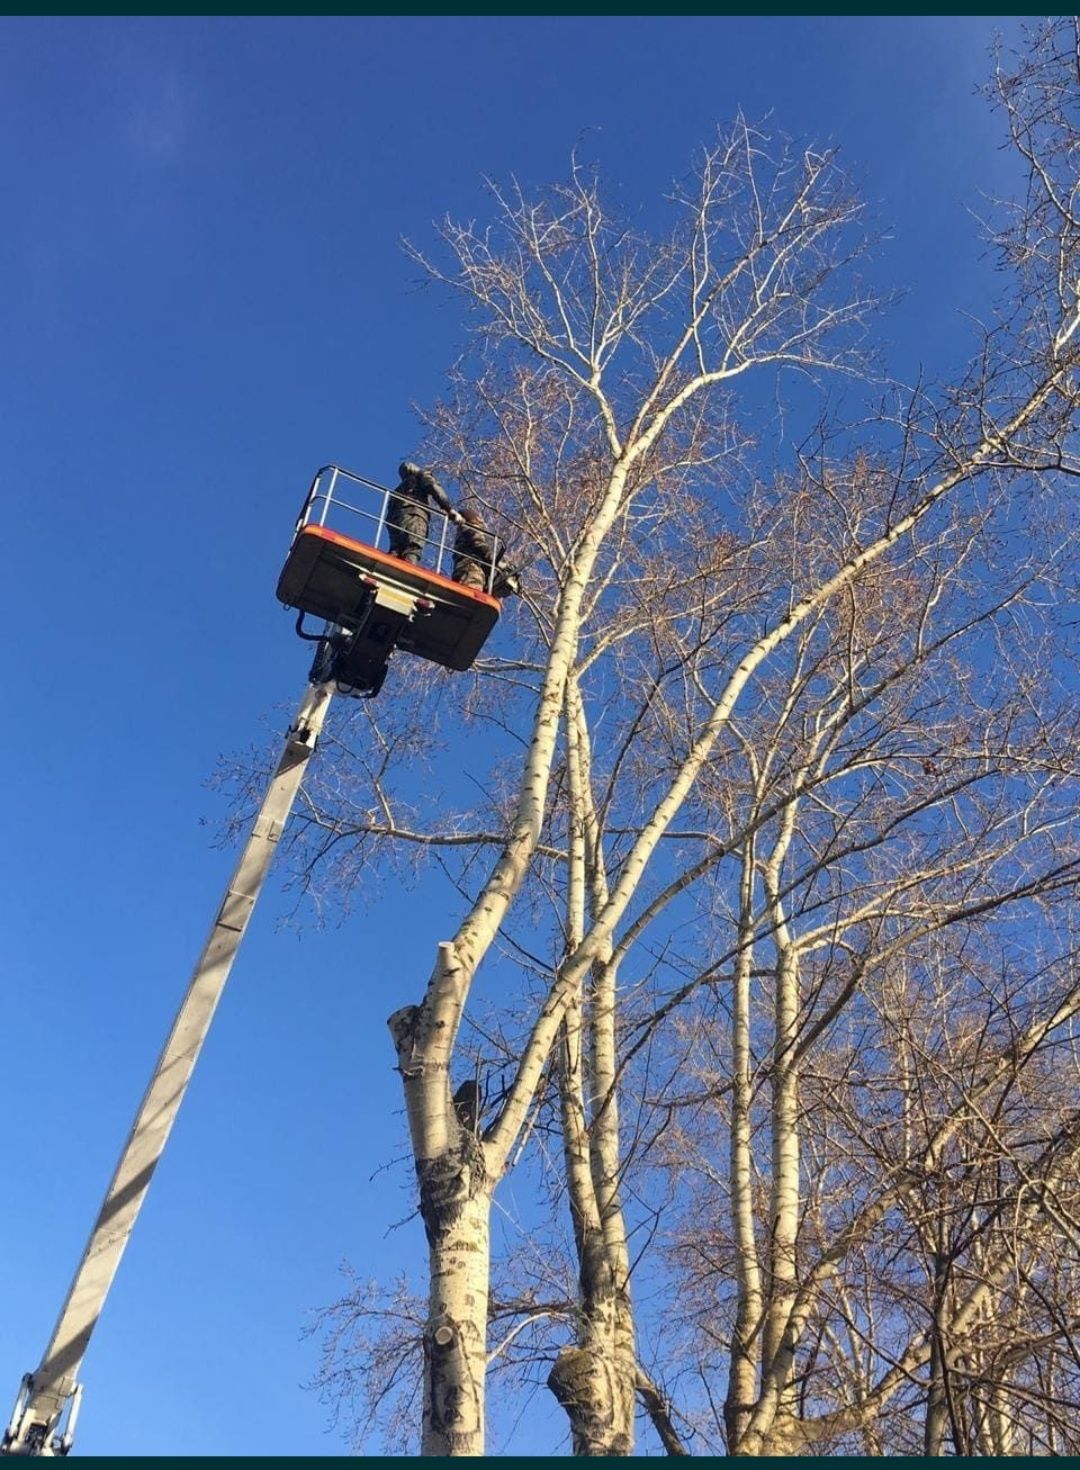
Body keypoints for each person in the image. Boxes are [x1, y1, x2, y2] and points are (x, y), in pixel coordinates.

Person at [386, 461, 459, 565]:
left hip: (395, 522)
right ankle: (408, 574)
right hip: (415, 516)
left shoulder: (396, 492)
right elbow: (435, 489)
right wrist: (449, 510)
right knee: (413, 549)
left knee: (395, 550)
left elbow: (388, 515)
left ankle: (386, 567)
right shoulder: (421, 476)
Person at [451, 507, 521, 596]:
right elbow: (479, 546)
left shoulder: (462, 533)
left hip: (463, 571)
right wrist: (500, 564)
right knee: (472, 597)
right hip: (471, 570)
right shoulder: (471, 529)